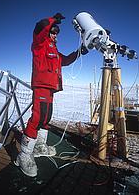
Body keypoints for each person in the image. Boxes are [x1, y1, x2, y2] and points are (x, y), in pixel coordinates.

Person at [14, 13, 88, 177]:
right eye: (52, 32)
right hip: (41, 86)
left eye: (56, 32)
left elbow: (66, 60)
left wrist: (80, 52)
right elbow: (39, 28)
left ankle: (40, 147)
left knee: (46, 118)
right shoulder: (39, 45)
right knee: (37, 118)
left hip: (50, 89)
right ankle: (24, 156)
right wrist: (52, 20)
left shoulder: (54, 50)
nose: (55, 35)